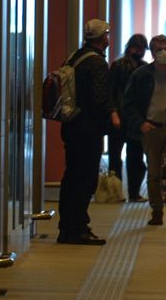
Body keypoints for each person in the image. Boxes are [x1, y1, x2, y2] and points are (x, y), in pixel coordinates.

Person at [57, 19, 121, 245]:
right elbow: (99, 99)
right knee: (84, 181)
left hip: (71, 125)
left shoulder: (74, 57)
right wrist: (109, 120)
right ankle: (78, 229)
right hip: (88, 130)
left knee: (71, 178)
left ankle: (66, 228)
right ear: (104, 38)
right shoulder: (97, 64)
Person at [121, 34, 166, 226]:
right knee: (154, 172)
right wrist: (140, 123)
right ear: (152, 52)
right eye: (159, 49)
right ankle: (156, 210)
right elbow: (128, 103)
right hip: (151, 129)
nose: (163, 52)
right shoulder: (141, 75)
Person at [107, 33, 148, 201]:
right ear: (130, 48)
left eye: (142, 49)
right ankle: (116, 193)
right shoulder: (118, 66)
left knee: (136, 158)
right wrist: (113, 112)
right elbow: (111, 91)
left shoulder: (144, 67)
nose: (139, 52)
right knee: (116, 157)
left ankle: (134, 193)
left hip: (135, 119)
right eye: (137, 48)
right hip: (121, 116)